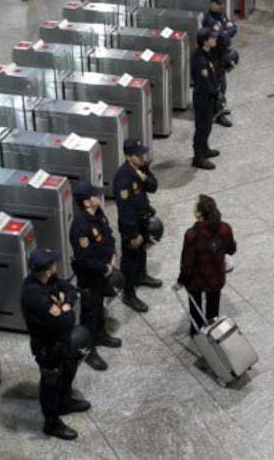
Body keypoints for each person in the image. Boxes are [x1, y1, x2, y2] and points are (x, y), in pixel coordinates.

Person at [20, 248, 92, 441]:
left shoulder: (49, 280)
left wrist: (66, 302)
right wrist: (67, 307)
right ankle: (51, 422)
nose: (56, 265)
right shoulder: (35, 296)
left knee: (68, 369)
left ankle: (64, 401)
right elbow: (67, 321)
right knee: (51, 381)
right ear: (47, 269)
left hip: (61, 341)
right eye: (53, 263)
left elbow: (69, 289)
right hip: (47, 348)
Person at [70, 180, 123, 372]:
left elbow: (107, 235)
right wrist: (105, 268)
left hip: (102, 272)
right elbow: (84, 260)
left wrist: (113, 254)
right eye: (95, 195)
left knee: (99, 306)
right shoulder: (80, 227)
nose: (99, 196)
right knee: (89, 312)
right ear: (86, 202)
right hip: (90, 277)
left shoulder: (98, 215)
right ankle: (88, 349)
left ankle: (100, 335)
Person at [172, 194, 236, 336]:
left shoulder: (192, 235)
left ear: (199, 213)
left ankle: (197, 333)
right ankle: (212, 333)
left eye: (195, 204)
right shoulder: (225, 228)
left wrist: (180, 281)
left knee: (196, 309)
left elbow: (187, 263)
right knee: (213, 308)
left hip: (197, 280)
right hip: (216, 278)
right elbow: (232, 249)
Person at [113, 138, 163, 313]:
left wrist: (145, 175)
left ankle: (141, 276)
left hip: (143, 220)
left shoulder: (140, 168)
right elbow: (125, 210)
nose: (142, 156)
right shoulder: (123, 177)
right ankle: (128, 294)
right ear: (128, 156)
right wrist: (133, 234)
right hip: (131, 225)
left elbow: (153, 187)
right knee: (129, 259)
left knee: (141, 253)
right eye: (138, 154)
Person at [202, 0, 239, 127]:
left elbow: (233, 29)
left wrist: (225, 32)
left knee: (222, 84)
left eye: (222, 3)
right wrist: (226, 32)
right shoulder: (209, 20)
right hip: (213, 57)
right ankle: (216, 114)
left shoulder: (222, 15)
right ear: (211, 3)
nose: (221, 6)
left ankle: (218, 109)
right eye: (218, 4)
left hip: (222, 55)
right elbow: (222, 36)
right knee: (217, 85)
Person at [191, 27, 221, 170]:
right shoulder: (200, 60)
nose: (215, 39)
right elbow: (204, 83)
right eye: (212, 38)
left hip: (209, 96)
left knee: (208, 125)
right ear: (205, 41)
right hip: (203, 97)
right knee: (202, 127)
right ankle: (198, 157)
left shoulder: (207, 54)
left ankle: (205, 149)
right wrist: (215, 92)